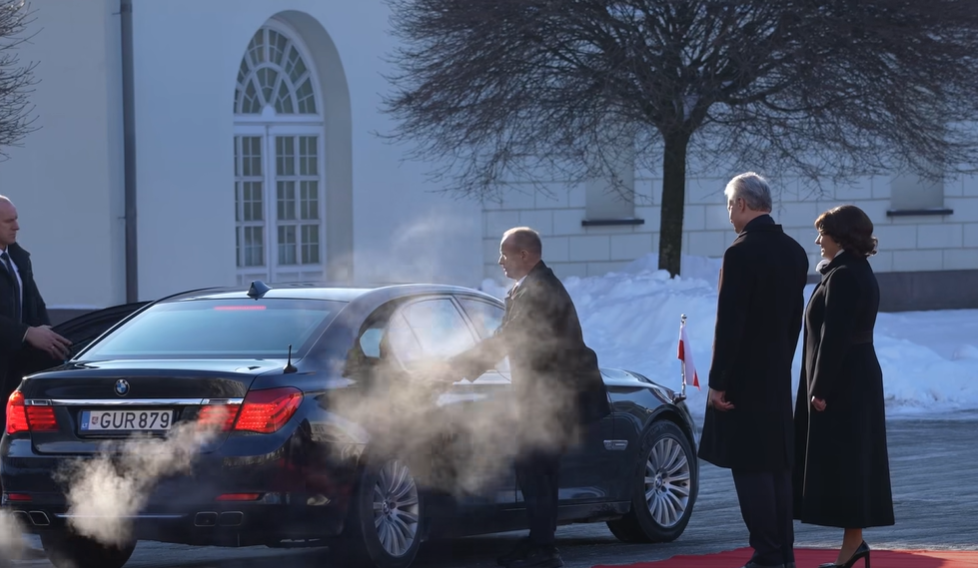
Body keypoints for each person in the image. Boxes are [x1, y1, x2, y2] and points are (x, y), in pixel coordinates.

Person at [444, 226, 611, 568]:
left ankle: (544, 549)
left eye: (505, 253)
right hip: (546, 396)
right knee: (535, 468)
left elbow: (509, 339)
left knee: (535, 467)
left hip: (556, 398)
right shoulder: (529, 288)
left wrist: (454, 368)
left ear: (525, 255)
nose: (500, 261)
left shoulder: (540, 291)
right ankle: (541, 543)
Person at [698, 173, 809, 568]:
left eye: (730, 205)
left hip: (744, 378)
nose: (729, 214)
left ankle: (767, 554)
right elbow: (796, 319)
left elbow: (730, 325)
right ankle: (783, 553)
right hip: (777, 372)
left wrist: (718, 383)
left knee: (751, 468)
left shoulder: (740, 253)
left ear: (742, 204)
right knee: (777, 466)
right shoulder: (795, 251)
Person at [792, 205, 894, 568]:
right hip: (853, 377)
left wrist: (820, 388)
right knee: (854, 463)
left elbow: (835, 336)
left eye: (824, 233)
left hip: (845, 381)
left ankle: (853, 547)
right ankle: (854, 545)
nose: (818, 240)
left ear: (841, 236)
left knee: (849, 465)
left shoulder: (845, 275)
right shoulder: (851, 271)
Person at [0, 194, 70, 561]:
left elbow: (36, 309)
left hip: (14, 375)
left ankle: (8, 542)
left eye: (16, 218)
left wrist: (51, 342)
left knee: (7, 454)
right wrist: (27, 334)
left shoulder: (17, 258)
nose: (17, 226)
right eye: (8, 221)